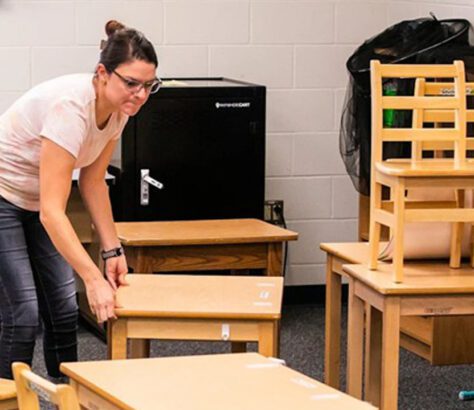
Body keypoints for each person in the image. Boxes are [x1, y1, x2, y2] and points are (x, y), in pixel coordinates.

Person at [0, 20, 160, 379]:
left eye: (149, 85)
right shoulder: (70, 109)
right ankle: (8, 399)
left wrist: (112, 251)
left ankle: (66, 397)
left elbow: (93, 182)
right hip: (3, 196)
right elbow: (52, 212)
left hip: (37, 202)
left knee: (64, 308)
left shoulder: (120, 110)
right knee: (23, 313)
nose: (140, 95)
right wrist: (93, 279)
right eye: (131, 83)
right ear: (103, 73)